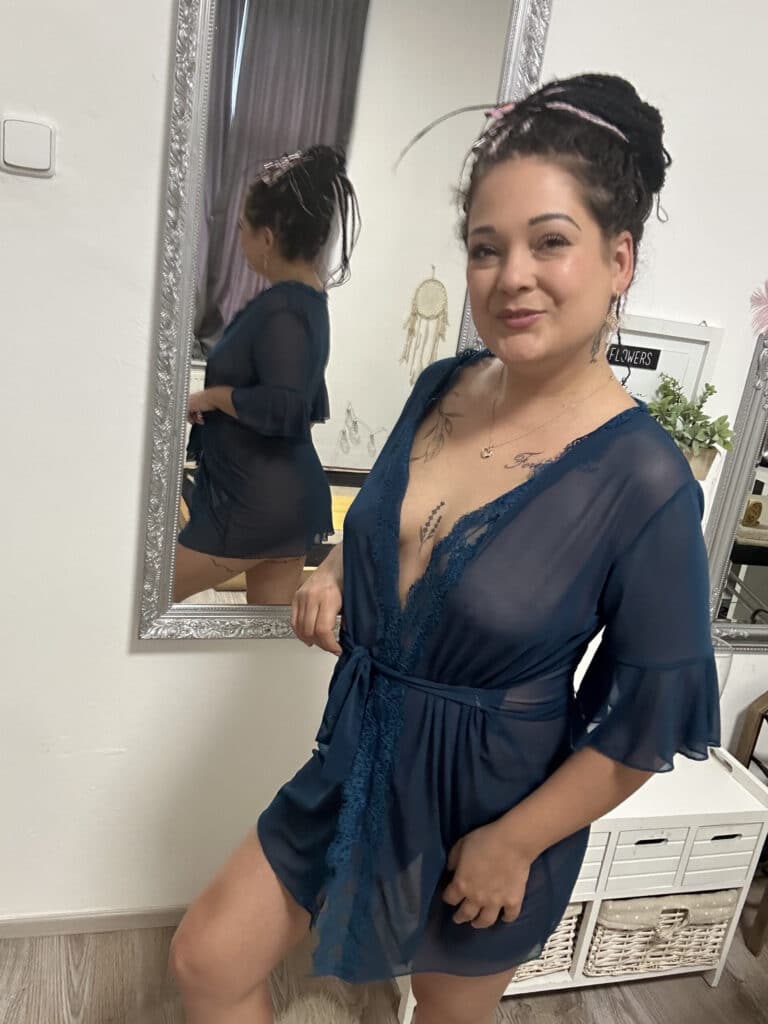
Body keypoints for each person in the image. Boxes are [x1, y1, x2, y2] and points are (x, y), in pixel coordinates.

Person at [168, 74, 721, 1024]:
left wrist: (516, 842)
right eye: (485, 247)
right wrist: (337, 570)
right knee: (208, 959)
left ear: (619, 257)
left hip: (498, 809)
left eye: (551, 242)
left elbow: (641, 726)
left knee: (443, 1013)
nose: (512, 276)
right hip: (360, 757)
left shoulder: (647, 481)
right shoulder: (442, 387)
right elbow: (387, 521)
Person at [174, 146, 360, 605]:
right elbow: (299, 403)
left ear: (268, 238)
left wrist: (213, 398)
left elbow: (286, 407)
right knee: (262, 634)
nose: (239, 239)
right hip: (279, 500)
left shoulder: (284, 309)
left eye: (242, 228)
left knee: (139, 599)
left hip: (255, 503)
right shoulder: (307, 303)